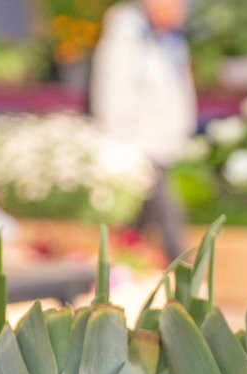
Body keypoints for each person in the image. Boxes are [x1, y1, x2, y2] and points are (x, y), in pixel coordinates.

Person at [89, 0, 196, 262]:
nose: (181, 9)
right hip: (137, 146)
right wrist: (122, 143)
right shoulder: (126, 34)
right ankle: (187, 280)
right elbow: (113, 91)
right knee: (168, 216)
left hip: (162, 145)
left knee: (136, 224)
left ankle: (121, 276)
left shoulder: (169, 40)